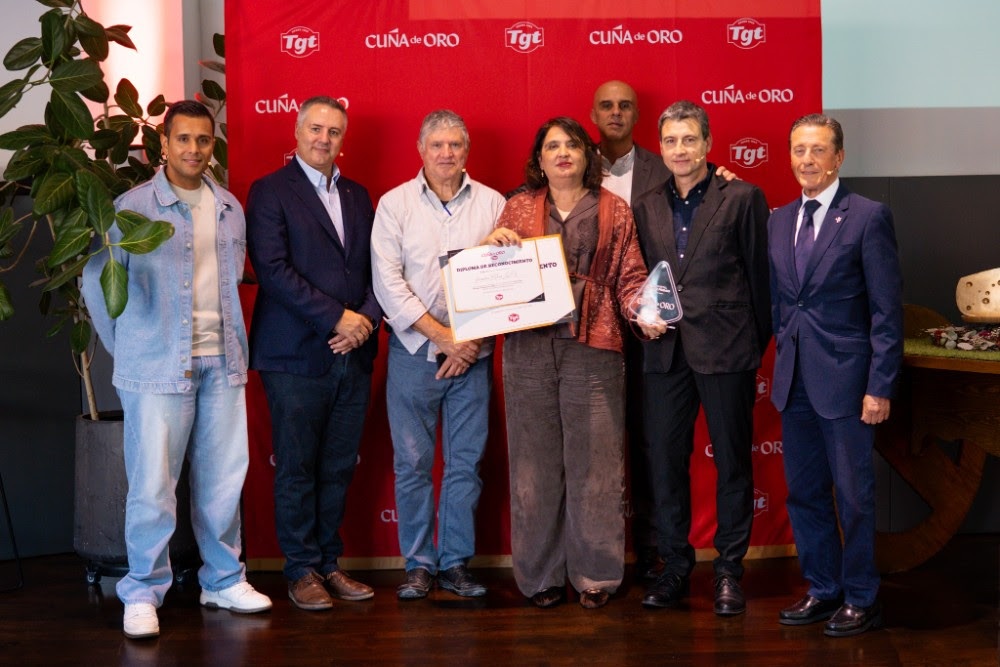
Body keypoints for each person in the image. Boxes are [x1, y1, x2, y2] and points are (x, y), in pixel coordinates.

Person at [81, 100, 272, 639]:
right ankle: (142, 590)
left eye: (203, 140)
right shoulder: (132, 207)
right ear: (163, 144)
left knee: (223, 482)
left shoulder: (229, 207)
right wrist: (131, 351)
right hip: (157, 368)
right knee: (152, 487)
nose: (193, 149)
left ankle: (223, 579)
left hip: (221, 362)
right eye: (183, 139)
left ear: (213, 146)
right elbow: (97, 283)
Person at [484, 116, 660, 609]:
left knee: (596, 464)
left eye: (573, 145)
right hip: (528, 349)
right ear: (539, 160)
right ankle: (540, 576)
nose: (563, 153)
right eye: (553, 146)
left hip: (595, 347)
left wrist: (643, 311)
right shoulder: (517, 207)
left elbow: (631, 275)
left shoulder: (614, 207)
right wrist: (492, 248)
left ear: (587, 155)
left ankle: (595, 575)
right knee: (533, 465)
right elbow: (491, 277)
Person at [633, 101, 771, 616]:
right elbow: (640, 279)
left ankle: (729, 570)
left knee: (733, 463)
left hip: (727, 350)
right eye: (671, 140)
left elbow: (762, 283)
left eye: (689, 139)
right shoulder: (645, 205)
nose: (680, 149)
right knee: (666, 462)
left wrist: (750, 345)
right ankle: (674, 565)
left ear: (708, 144)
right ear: (661, 147)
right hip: (664, 353)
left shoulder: (742, 197)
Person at [769, 113, 902, 637]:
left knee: (854, 498)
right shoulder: (779, 219)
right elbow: (783, 303)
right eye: (799, 149)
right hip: (794, 382)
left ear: (839, 157)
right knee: (804, 494)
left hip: (848, 384)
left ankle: (863, 597)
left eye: (818, 150)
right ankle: (823, 589)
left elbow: (886, 312)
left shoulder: (868, 216)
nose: (807, 160)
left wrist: (879, 386)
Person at [246, 96, 380, 611]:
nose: (325, 139)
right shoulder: (270, 191)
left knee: (339, 466)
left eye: (334, 131)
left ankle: (328, 562)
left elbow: (377, 269)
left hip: (354, 352)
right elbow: (273, 270)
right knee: (297, 467)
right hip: (294, 355)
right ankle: (300, 569)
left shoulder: (357, 195)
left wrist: (363, 321)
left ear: (343, 138)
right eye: (316, 129)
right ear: (298, 132)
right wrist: (336, 318)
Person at [371, 110, 505, 600]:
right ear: (421, 150)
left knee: (465, 465)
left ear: (467, 150)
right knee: (412, 465)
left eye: (455, 145)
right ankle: (419, 565)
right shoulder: (395, 205)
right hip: (413, 353)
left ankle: (454, 563)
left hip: (474, 356)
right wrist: (442, 338)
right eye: (437, 145)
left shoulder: (493, 203)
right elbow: (387, 281)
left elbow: (503, 279)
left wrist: (466, 345)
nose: (447, 153)